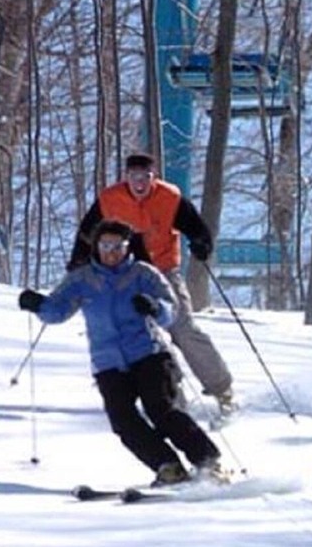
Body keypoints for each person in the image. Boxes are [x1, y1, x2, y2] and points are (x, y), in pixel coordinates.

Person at [19, 220, 228, 485]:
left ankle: (208, 462)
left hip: (148, 354)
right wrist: (38, 304)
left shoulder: (143, 274)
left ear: (128, 247)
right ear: (96, 247)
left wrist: (153, 307)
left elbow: (170, 310)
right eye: (106, 245)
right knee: (124, 422)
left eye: (119, 246)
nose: (112, 251)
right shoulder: (83, 279)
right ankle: (169, 467)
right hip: (108, 363)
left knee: (163, 410)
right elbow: (57, 310)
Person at [68, 152, 235, 415]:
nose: (140, 183)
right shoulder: (110, 199)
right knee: (149, 340)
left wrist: (201, 242)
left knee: (183, 328)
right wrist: (78, 260)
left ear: (153, 177)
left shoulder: (169, 197)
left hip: (164, 272)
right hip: (127, 278)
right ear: (126, 177)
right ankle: (173, 398)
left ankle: (222, 388)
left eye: (146, 177)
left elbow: (195, 226)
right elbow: (88, 233)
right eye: (134, 177)